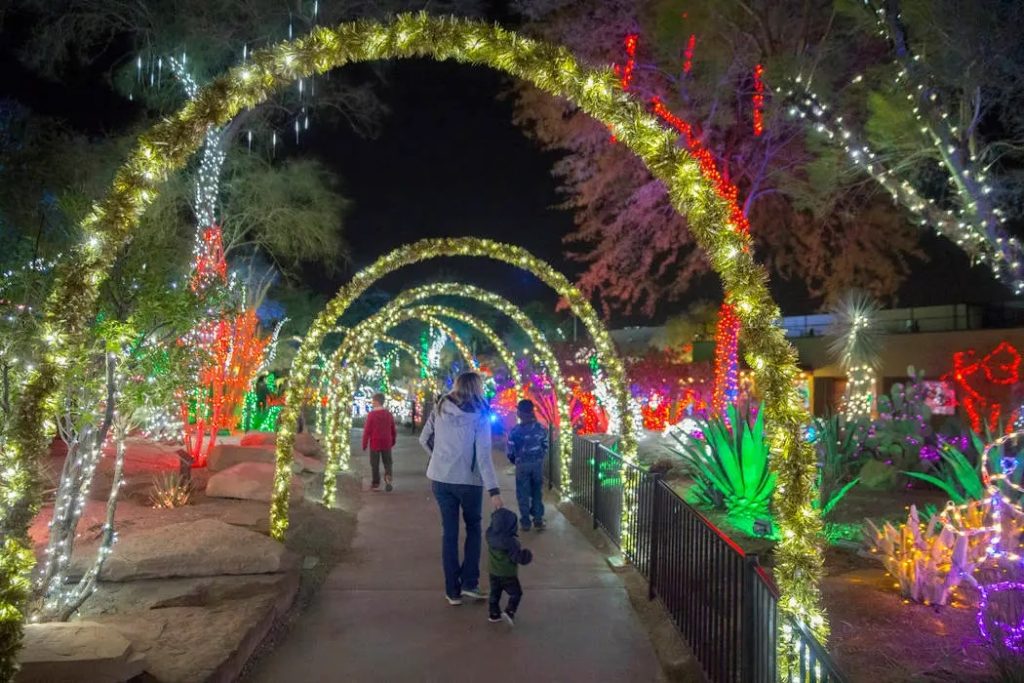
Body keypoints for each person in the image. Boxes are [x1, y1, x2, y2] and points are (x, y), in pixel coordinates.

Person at [420, 372, 503, 606]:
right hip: (469, 482)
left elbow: (424, 439)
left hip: (441, 479)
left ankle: (452, 591)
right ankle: (470, 583)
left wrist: (438, 458)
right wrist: (494, 491)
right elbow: (484, 456)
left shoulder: (440, 407)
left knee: (449, 533)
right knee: (474, 529)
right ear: (477, 388)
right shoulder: (481, 415)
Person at [486, 507, 532, 626]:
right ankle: (510, 610)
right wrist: (526, 555)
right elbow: (516, 557)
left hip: (493, 572)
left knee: (494, 593)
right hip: (508, 574)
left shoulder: (489, 536)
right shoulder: (512, 543)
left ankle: (494, 614)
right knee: (516, 593)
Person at [507, 399, 548, 531]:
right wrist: (540, 457)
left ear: (519, 413)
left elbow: (510, 451)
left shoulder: (515, 432)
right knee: (537, 492)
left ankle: (525, 522)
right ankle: (538, 520)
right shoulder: (541, 428)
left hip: (522, 465)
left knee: (523, 493)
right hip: (537, 464)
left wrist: (516, 461)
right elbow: (546, 445)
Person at [362, 393, 397, 492]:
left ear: (377, 402)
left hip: (375, 442)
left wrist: (364, 443)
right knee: (388, 462)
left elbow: (367, 430)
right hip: (386, 442)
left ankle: (376, 483)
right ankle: (388, 478)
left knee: (374, 463)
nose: (372, 403)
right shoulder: (388, 414)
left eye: (373, 401)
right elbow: (393, 428)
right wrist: (393, 440)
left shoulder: (371, 415)